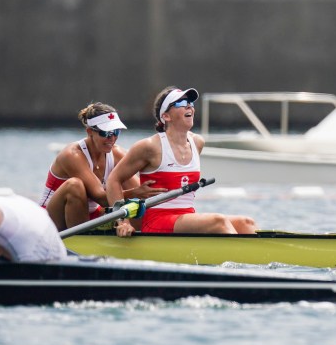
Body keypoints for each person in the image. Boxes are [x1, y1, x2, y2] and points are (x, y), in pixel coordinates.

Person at [106, 87, 257, 235]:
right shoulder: (149, 146)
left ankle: (256, 258)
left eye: (190, 102)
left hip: (186, 216)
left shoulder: (197, 142)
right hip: (157, 220)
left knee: (246, 222)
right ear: (166, 116)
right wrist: (123, 222)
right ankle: (239, 258)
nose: (188, 106)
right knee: (219, 221)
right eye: (180, 103)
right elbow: (113, 180)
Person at [39, 102, 150, 231]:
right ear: (90, 131)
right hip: (51, 219)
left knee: (135, 194)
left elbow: (142, 190)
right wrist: (135, 193)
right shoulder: (72, 155)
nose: (112, 138)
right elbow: (101, 198)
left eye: (116, 132)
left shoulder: (117, 154)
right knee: (75, 185)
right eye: (106, 133)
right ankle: (81, 242)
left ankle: (143, 233)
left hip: (90, 216)